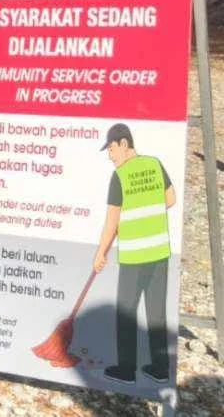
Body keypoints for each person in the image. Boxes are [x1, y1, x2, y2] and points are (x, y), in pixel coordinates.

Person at [92, 123, 175, 386]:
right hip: (160, 252)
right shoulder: (155, 164)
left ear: (125, 144)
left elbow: (111, 222)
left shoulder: (121, 176)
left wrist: (100, 253)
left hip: (135, 257)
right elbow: (170, 199)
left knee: (126, 312)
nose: (110, 155)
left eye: (112, 148)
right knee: (156, 312)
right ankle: (161, 368)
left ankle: (127, 369)